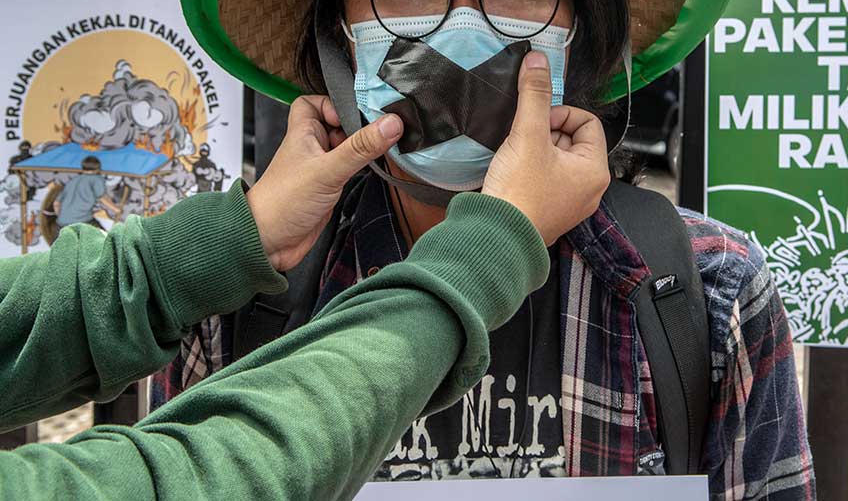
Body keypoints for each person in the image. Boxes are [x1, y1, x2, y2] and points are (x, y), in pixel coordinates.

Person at [161, 0, 814, 498]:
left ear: (579, 22)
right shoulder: (237, 292)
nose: (462, 27)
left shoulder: (710, 286)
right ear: (339, 30)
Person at [1, 54, 609, 499]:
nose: (464, 30)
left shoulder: (692, 270)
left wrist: (232, 238)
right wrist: (487, 251)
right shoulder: (226, 320)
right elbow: (200, 477)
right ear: (337, 40)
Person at [53, 156, 121, 232]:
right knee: (104, 239)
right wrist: (116, 209)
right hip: (83, 222)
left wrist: (63, 218)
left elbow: (56, 203)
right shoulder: (96, 179)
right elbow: (102, 197)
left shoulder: (72, 181)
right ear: (98, 169)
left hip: (61, 224)